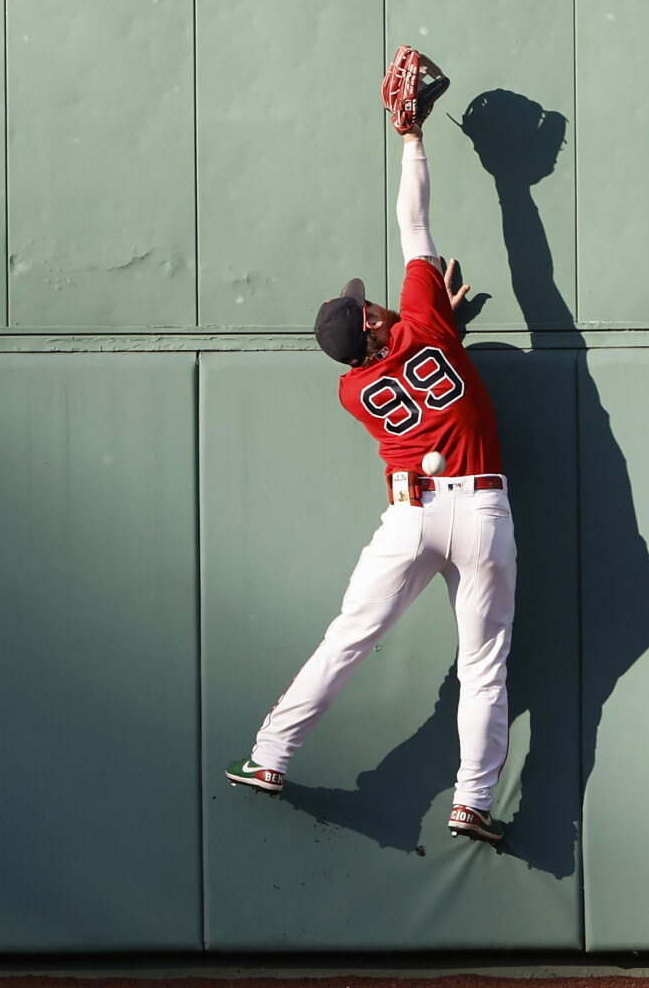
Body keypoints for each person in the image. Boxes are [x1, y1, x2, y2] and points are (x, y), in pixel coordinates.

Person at [225, 108, 516, 845]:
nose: (375, 303)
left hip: (411, 516)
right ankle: (471, 802)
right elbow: (413, 223)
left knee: (347, 640)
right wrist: (412, 136)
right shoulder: (424, 321)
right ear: (376, 322)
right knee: (483, 668)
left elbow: (412, 365)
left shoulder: (354, 389)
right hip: (480, 513)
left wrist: (444, 328)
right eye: (368, 307)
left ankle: (269, 757)